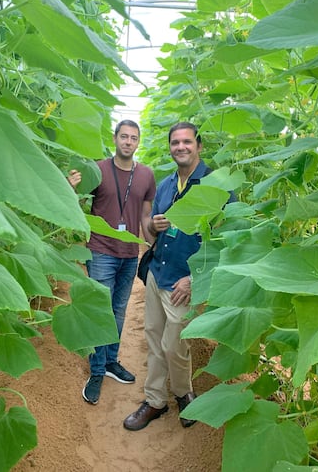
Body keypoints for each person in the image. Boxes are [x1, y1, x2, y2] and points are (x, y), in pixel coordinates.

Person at [123, 121, 234, 431]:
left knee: (175, 344)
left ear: (199, 145)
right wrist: (153, 227)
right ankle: (155, 400)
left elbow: (229, 240)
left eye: (187, 142)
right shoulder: (168, 183)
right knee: (154, 339)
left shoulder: (217, 185)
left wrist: (196, 280)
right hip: (159, 272)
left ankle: (184, 393)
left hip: (185, 283)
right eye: (175, 143)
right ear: (170, 147)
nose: (181, 147)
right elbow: (151, 235)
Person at [69, 119, 156, 405]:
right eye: (124, 137)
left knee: (118, 310)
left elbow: (144, 217)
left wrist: (152, 247)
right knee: (100, 310)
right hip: (101, 251)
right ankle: (96, 371)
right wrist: (70, 188)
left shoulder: (146, 175)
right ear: (115, 139)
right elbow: (77, 204)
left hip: (130, 253)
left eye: (133, 138)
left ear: (138, 142)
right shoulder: (98, 169)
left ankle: (109, 361)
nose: (128, 142)